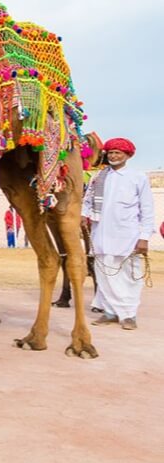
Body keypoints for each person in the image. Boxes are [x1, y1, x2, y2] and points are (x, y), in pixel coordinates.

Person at [83, 138, 153, 330]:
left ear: (127, 155)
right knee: (104, 273)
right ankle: (110, 312)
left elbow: (147, 209)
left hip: (128, 236)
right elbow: (87, 201)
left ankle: (128, 314)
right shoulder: (98, 177)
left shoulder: (138, 177)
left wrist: (144, 237)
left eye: (118, 153)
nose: (113, 156)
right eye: (111, 152)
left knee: (128, 275)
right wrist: (83, 215)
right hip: (101, 234)